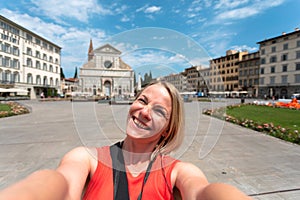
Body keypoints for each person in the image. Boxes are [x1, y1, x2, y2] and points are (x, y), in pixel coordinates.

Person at [0, 80, 252, 200]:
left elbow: (203, 193)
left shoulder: (177, 172)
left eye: (159, 111)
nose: (144, 112)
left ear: (167, 129)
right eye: (142, 100)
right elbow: (61, 183)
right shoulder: (87, 159)